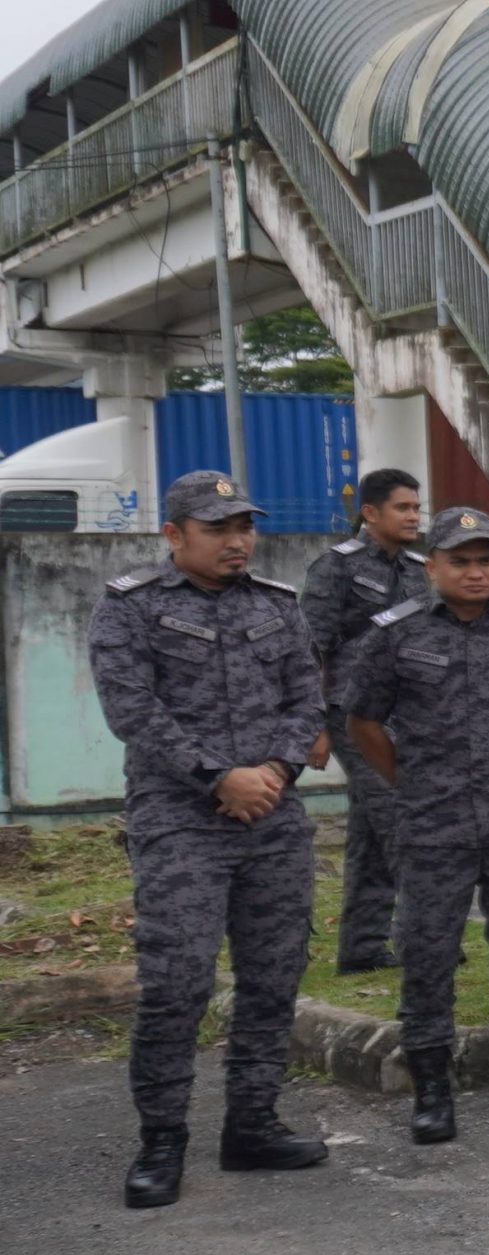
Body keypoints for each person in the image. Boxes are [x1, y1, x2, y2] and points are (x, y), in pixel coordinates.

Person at [92, 470, 330, 1207]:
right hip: (180, 820)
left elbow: (307, 695)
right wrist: (217, 776)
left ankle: (252, 1124)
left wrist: (275, 770)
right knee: (177, 983)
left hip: (271, 813)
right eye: (219, 528)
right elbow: (132, 709)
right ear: (174, 535)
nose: (238, 540)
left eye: (244, 527)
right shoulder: (131, 608)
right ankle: (162, 1140)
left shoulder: (277, 605)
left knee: (272, 976)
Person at [345, 507, 489, 1144]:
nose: (476, 573)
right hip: (432, 821)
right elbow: (363, 721)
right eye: (461, 561)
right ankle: (432, 1091)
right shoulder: (394, 634)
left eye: (485, 560)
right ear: (433, 565)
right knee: (428, 951)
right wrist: (415, 781)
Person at [298, 466, 426, 973]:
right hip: (354, 718)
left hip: (408, 717)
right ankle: (425, 938)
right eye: (403, 507)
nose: (414, 516)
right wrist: (316, 726)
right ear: (370, 514)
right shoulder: (337, 568)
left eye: (417, 507)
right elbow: (309, 650)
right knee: (404, 821)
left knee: (373, 835)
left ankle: (362, 949)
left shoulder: (418, 569)